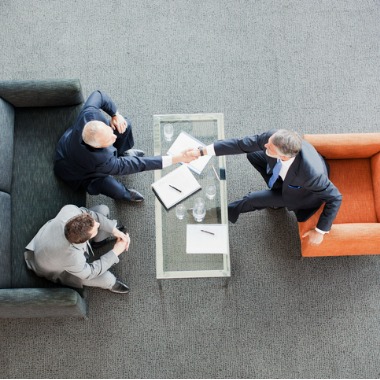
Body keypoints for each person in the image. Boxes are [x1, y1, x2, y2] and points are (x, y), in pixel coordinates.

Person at [191, 129, 342, 246]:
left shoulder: (311, 175)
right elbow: (240, 144)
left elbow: (335, 197)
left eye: (270, 148)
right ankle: (275, 197)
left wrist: (320, 231)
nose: (265, 145)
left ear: (283, 156)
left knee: (252, 199)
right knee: (252, 154)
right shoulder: (273, 137)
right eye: (268, 142)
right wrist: (202, 151)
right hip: (287, 177)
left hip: (300, 195)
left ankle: (222, 214)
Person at [54, 90, 196, 202]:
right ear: (99, 147)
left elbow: (99, 94)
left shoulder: (89, 114)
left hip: (71, 144)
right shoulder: (103, 162)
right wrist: (177, 158)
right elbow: (139, 164)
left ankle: (121, 154)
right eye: (109, 140)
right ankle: (125, 195)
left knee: (124, 125)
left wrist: (115, 114)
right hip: (78, 172)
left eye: (110, 131)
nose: (114, 136)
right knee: (113, 187)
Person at [24, 204, 131, 294]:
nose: (98, 224)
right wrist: (115, 251)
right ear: (84, 240)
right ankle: (111, 284)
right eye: (95, 229)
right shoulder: (72, 258)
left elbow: (94, 216)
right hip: (56, 266)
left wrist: (114, 230)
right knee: (107, 278)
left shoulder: (70, 210)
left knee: (103, 209)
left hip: (49, 241)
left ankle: (99, 242)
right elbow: (90, 272)